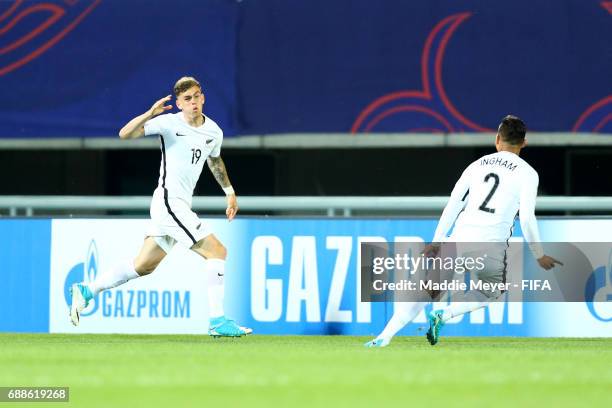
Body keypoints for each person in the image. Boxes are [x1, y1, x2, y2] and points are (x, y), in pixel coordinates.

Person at [69, 76, 252, 337]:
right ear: (178, 103)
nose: (193, 102)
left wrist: (230, 192)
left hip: (177, 205)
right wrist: (149, 114)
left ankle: (87, 290)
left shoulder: (214, 131)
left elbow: (215, 160)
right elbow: (124, 134)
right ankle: (218, 321)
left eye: (196, 96)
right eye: (187, 99)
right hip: (169, 203)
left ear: (203, 97)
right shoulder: (167, 123)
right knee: (217, 252)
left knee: (143, 265)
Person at [365, 115, 561, 348]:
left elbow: (454, 204)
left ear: (497, 139)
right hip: (490, 245)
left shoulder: (477, 165)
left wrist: (437, 241)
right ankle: (445, 314)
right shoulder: (528, 173)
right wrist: (539, 254)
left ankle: (384, 337)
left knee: (427, 290)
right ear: (524, 143)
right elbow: (527, 218)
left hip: (457, 240)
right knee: (491, 290)